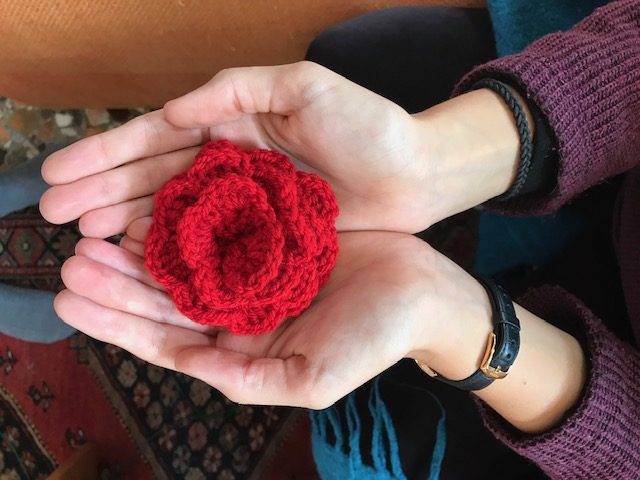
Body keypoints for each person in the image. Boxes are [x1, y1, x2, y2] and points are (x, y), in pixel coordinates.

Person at [38, 0, 639, 478]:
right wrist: (443, 156)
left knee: (363, 454)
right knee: (356, 56)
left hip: (603, 397)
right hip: (610, 134)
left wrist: (454, 323)